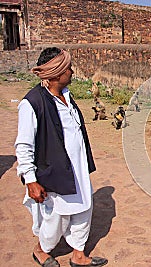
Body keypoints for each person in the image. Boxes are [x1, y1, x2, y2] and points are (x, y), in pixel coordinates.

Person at [14, 47, 108, 267]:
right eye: (68, 68)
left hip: (77, 169)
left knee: (84, 209)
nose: (72, 72)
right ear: (55, 73)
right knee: (57, 217)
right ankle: (41, 250)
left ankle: (78, 254)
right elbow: (24, 144)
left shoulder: (66, 96)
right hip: (54, 172)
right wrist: (30, 180)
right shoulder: (32, 103)